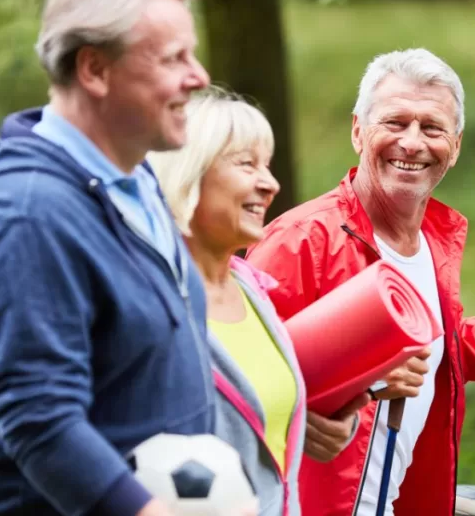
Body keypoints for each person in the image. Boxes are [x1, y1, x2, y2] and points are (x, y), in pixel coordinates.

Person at [243, 47, 475, 516]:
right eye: (394, 122)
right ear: (358, 131)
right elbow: (237, 381)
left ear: (454, 147)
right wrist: (354, 386)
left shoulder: (434, 241)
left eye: (432, 128)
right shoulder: (301, 242)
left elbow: (436, 354)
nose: (412, 143)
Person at [0, 0, 220, 515]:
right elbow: (42, 425)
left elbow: (159, 361)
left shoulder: (133, 181)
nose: (198, 77)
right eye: (174, 58)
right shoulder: (26, 215)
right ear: (94, 70)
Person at [146, 87, 368, 516]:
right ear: (187, 170)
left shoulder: (252, 290)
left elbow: (263, 431)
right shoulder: (143, 300)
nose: (270, 184)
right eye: (247, 165)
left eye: (266, 166)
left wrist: (319, 426)